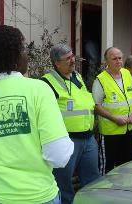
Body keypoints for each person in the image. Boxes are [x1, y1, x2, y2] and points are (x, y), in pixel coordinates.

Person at [0, 25, 74, 204]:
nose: (26, 54)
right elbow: (59, 156)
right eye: (23, 49)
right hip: (32, 196)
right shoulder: (38, 90)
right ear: (15, 55)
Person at [41, 44, 99, 204]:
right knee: (63, 182)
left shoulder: (77, 76)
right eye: (67, 58)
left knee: (92, 179)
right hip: (67, 140)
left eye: (72, 56)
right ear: (56, 63)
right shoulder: (47, 82)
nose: (72, 60)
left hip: (88, 138)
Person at [92, 47, 132, 174]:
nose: (118, 61)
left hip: (127, 129)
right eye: (114, 59)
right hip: (109, 133)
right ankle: (104, 193)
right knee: (107, 168)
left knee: (126, 166)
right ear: (106, 62)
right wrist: (114, 118)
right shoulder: (100, 80)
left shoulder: (127, 73)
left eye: (120, 58)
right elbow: (97, 106)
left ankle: (123, 191)